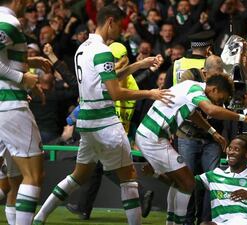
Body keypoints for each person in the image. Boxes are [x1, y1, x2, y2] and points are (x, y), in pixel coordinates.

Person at [32, 5, 172, 225]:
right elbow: (115, 92)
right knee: (129, 180)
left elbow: (106, 80)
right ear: (110, 21)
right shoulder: (103, 51)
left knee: (78, 176)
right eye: (119, 26)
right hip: (105, 121)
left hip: (86, 123)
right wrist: (150, 93)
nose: (120, 32)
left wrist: (138, 65)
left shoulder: (82, 49)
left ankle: (39, 217)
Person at [135, 74, 247, 225]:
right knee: (188, 183)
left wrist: (213, 132)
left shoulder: (191, 86)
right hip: (153, 138)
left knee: (179, 182)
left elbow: (193, 114)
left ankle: (171, 221)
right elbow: (210, 111)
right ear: (214, 89)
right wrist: (243, 118)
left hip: (151, 136)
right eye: (221, 99)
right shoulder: (195, 91)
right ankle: (179, 222)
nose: (220, 102)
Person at [0, 0, 52, 224]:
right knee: (34, 175)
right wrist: (23, 78)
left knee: (15, 178)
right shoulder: (8, 21)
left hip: (5, 105)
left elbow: (4, 58)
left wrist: (29, 61)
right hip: (10, 106)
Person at [177, 55, 225, 224]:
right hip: (188, 135)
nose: (217, 80)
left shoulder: (224, 81)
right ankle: (187, 221)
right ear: (205, 72)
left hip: (213, 138)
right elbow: (187, 108)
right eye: (213, 76)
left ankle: (206, 221)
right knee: (188, 181)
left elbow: (224, 106)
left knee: (212, 180)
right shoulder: (189, 77)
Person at [197, 135, 247, 225]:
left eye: (236, 149)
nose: (231, 152)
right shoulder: (214, 175)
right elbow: (187, 183)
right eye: (230, 148)